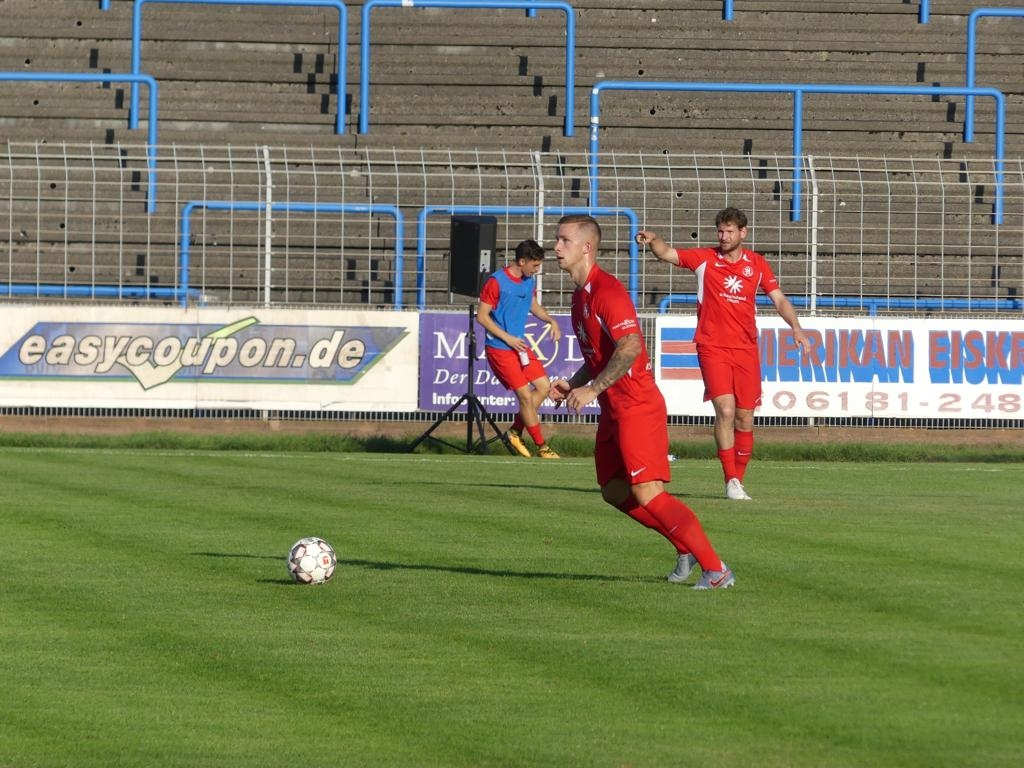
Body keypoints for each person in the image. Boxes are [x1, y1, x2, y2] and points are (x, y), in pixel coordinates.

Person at [549, 214, 734, 589]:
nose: (556, 247)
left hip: (636, 405)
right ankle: (683, 546)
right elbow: (599, 357)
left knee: (649, 493)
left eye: (564, 241)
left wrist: (593, 390)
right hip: (613, 410)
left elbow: (631, 345)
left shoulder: (607, 291)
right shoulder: (579, 297)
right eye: (557, 240)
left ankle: (716, 570)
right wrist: (574, 384)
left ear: (586, 247)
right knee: (614, 491)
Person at [636, 207, 809, 501]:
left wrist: (796, 327)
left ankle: (738, 481)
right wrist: (654, 240)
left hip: (745, 349)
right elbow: (669, 254)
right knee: (726, 411)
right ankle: (730, 479)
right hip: (712, 346)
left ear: (743, 233)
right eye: (720, 231)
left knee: (745, 418)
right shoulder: (705, 259)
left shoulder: (757, 265)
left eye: (729, 231)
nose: (724, 236)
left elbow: (779, 299)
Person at [476, 239, 562, 459]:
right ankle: (542, 447)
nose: (537, 270)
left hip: (519, 347)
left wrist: (551, 321)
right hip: (500, 348)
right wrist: (508, 338)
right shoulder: (496, 282)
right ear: (521, 261)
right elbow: (482, 317)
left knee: (543, 387)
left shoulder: (528, 281)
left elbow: (533, 306)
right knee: (524, 395)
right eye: (534, 265)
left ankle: (515, 431)